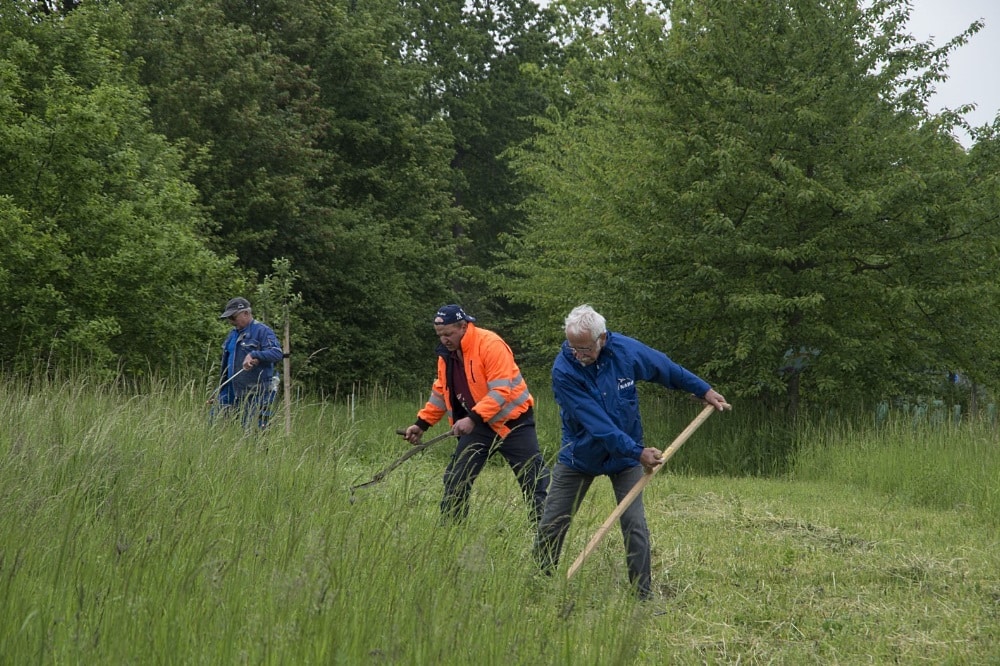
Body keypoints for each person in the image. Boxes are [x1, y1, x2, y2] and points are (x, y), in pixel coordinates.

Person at [533, 304, 730, 600]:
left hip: (625, 458)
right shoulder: (563, 370)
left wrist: (703, 390)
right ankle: (540, 584)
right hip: (581, 455)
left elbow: (665, 368)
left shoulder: (624, 351)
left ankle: (642, 595)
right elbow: (596, 424)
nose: (578, 354)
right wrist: (638, 451)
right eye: (573, 347)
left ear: (602, 338)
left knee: (634, 524)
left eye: (585, 348)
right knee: (553, 521)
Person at [402, 304, 550, 525]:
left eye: (448, 334)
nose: (444, 340)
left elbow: (501, 391)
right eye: (440, 335)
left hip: (514, 423)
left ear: (463, 326)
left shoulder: (490, 344)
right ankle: (451, 531)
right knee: (456, 478)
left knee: (533, 479)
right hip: (479, 425)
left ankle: (545, 535)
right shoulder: (445, 356)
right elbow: (441, 392)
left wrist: (472, 418)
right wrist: (421, 424)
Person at [211, 297, 284, 430]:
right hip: (230, 390)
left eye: (233, 317)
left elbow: (277, 353)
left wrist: (254, 354)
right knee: (214, 424)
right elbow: (227, 365)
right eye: (229, 319)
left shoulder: (262, 331)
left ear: (246, 313)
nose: (231, 322)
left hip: (256, 392)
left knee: (253, 431)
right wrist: (220, 389)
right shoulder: (232, 335)